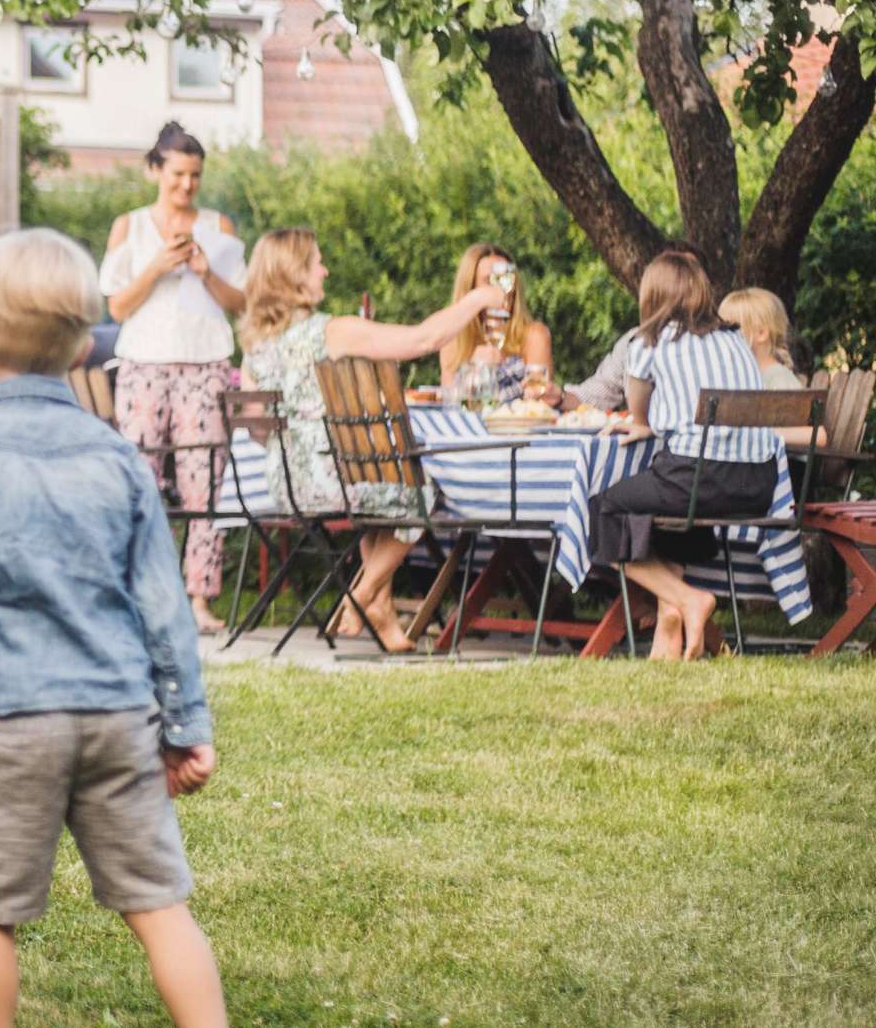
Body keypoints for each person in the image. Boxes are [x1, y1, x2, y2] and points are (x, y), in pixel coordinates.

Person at [0, 228, 224, 1028]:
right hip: (118, 723)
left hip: (8, 727)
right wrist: (185, 724)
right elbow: (165, 610)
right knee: (160, 903)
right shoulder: (119, 459)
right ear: (81, 347)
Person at [234, 229, 510, 653]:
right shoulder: (330, 331)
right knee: (419, 497)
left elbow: (257, 429)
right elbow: (423, 340)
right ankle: (359, 598)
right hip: (337, 480)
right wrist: (475, 300)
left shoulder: (255, 347)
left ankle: (381, 613)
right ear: (295, 277)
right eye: (316, 264)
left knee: (380, 500)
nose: (324, 270)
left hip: (286, 486)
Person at [590, 252, 784, 659]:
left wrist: (642, 422)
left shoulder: (651, 341)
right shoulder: (734, 338)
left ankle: (687, 598)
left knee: (604, 509)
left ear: (652, 295)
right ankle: (670, 626)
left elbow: (637, 407)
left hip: (701, 477)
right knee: (668, 516)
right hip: (759, 484)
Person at [98, 122, 245, 635]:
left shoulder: (219, 226)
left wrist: (205, 272)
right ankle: (134, 596)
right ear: (155, 170)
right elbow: (117, 307)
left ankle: (199, 600)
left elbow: (242, 304)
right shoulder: (129, 227)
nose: (187, 186)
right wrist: (157, 267)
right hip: (143, 363)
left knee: (205, 482)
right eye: (178, 174)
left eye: (196, 176)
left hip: (205, 364)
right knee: (138, 481)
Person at [436, 243, 557, 404]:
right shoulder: (453, 339)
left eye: (506, 279)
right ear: (470, 289)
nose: (500, 288)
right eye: (489, 280)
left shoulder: (534, 335)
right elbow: (450, 406)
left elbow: (538, 407)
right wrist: (475, 371)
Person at [719, 287, 823, 448]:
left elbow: (818, 436)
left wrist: (760, 434)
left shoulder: (779, 379)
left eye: (731, 330)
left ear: (761, 333)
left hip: (784, 467)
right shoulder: (743, 377)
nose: (721, 338)